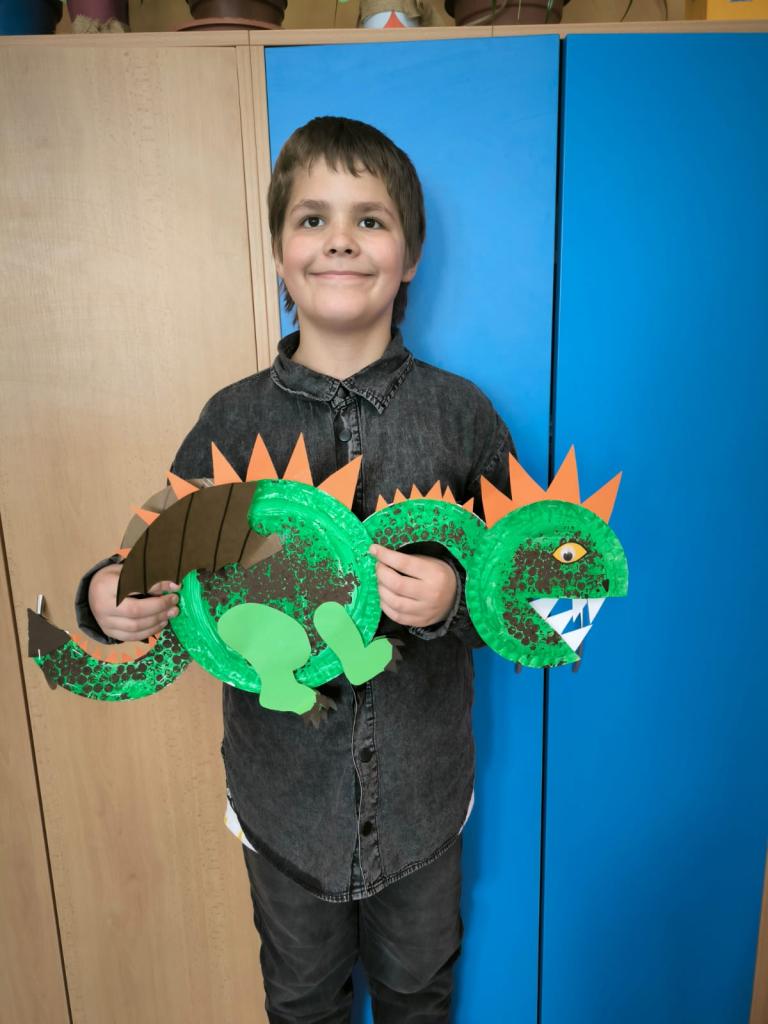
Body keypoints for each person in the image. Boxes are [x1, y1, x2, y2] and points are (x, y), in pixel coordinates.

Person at [77, 116, 514, 1024]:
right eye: (313, 219)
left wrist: (452, 596)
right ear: (279, 253)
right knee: (302, 999)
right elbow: (153, 559)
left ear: (410, 255)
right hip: (284, 809)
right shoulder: (229, 421)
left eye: (370, 219)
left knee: (419, 994)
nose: (341, 240)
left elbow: (527, 595)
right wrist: (105, 597)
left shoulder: (462, 416)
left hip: (422, 802)